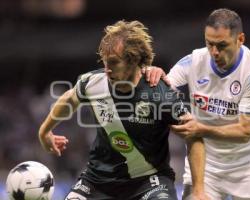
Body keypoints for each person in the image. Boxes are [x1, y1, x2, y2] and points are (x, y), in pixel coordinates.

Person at [38, 20, 207, 200]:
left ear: (133, 60)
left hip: (149, 182)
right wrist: (45, 131)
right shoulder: (94, 83)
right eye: (104, 62)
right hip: (97, 181)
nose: (107, 69)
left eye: (113, 63)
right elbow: (69, 99)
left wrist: (198, 190)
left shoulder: (159, 93)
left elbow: (195, 135)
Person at [145, 8, 250, 200]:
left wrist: (201, 129)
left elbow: (246, 131)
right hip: (205, 167)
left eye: (222, 45)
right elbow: (162, 89)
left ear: (240, 39)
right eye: (209, 44)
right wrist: (153, 73)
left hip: (248, 167)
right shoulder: (193, 62)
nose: (214, 52)